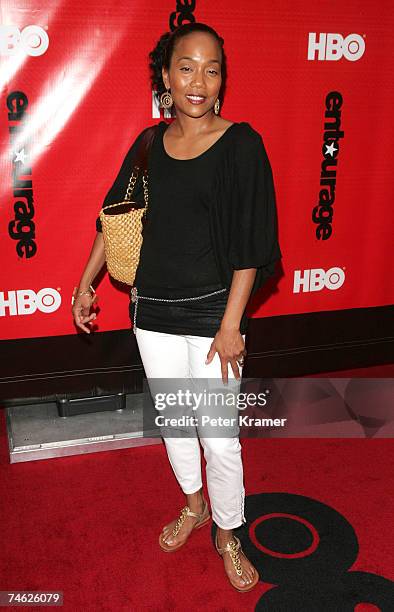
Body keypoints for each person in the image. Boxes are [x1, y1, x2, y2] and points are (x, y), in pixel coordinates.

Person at [72, 22, 281, 593]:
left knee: (218, 435)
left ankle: (229, 532)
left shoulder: (241, 144)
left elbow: (252, 242)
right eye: (186, 67)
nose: (198, 81)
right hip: (152, 316)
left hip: (216, 317)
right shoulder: (146, 144)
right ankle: (194, 507)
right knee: (175, 425)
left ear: (222, 81)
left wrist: (233, 323)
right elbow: (114, 220)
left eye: (211, 70)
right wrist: (85, 283)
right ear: (165, 76)